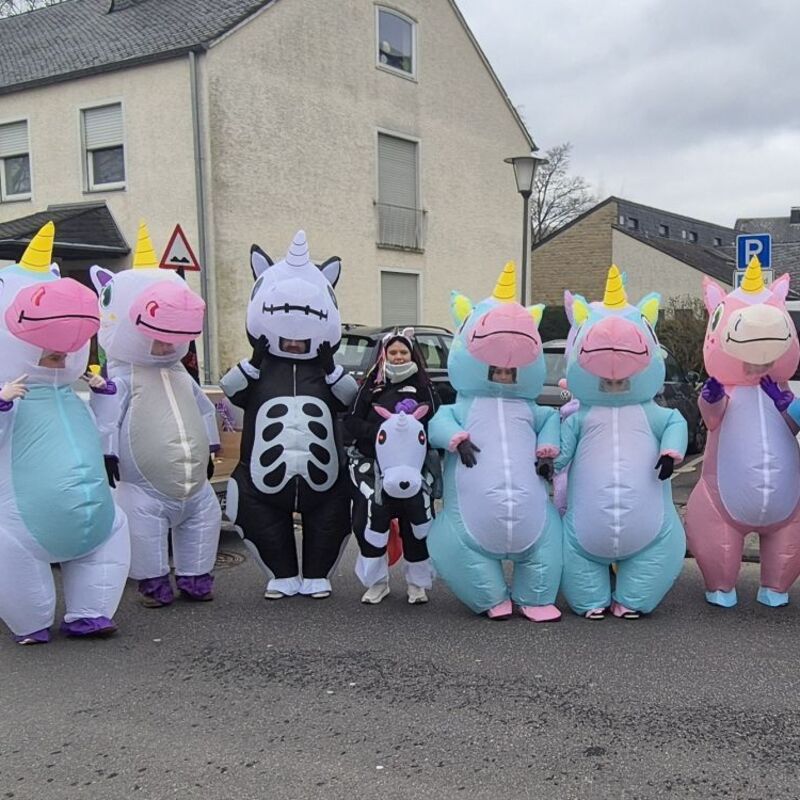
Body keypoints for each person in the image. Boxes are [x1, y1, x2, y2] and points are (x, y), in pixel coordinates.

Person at [344, 328, 440, 604]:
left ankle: (417, 584)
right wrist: (378, 432)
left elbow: (437, 420)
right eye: (393, 352)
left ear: (412, 355)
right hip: (373, 468)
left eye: (403, 352)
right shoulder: (371, 385)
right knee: (368, 524)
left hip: (414, 469)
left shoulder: (424, 386)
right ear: (384, 355)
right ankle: (377, 583)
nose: (398, 357)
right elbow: (351, 421)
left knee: (417, 525)